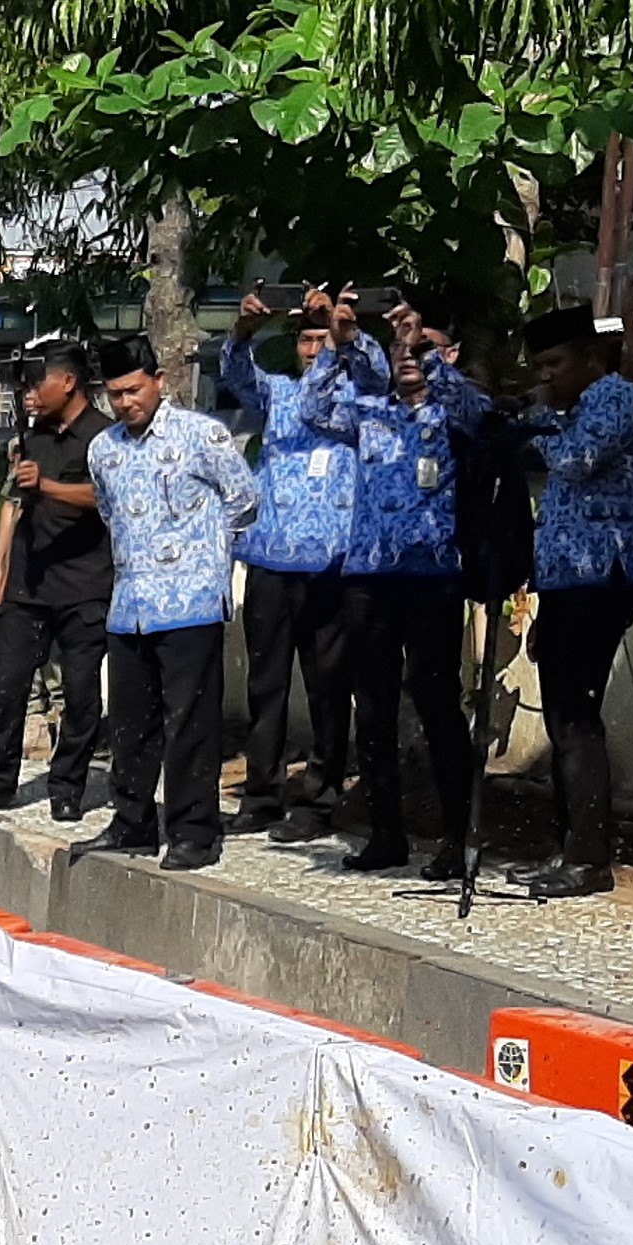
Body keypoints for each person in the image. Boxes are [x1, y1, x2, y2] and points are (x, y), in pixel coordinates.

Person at [307, 330, 491, 877]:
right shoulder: (370, 411)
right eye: (400, 349)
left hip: (432, 576)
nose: (408, 356)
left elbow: (476, 412)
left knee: (438, 704)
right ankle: (386, 832)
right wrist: (338, 343)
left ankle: (456, 838)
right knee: (373, 708)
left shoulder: (453, 410)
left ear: (448, 354)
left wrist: (433, 360)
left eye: (423, 347)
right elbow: (313, 409)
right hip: (369, 576)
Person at [80, 335, 260, 871]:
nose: (125, 402)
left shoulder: (202, 435)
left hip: (191, 601)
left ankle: (194, 831)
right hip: (130, 603)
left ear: (158, 382)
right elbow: (109, 511)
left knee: (190, 723)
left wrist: (205, 553)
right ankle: (132, 822)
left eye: (133, 390)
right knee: (130, 721)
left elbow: (244, 498)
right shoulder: (103, 449)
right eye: (115, 394)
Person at [518, 309, 633, 899]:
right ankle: (567, 846)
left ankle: (588, 858)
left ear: (589, 356)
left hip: (598, 576)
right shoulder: (578, 408)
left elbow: (575, 461)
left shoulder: (615, 399)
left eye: (554, 363)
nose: (545, 376)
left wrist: (536, 418)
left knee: (576, 720)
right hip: (565, 582)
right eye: (538, 366)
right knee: (561, 719)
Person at [221, 290, 369, 839]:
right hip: (270, 556)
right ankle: (262, 792)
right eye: (305, 340)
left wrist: (343, 335)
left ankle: (321, 797)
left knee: (328, 683)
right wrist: (243, 330)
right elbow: (237, 374)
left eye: (320, 339)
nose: (312, 350)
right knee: (267, 683)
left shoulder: (358, 398)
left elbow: (368, 374)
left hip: (329, 561)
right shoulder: (279, 392)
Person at [0, 342, 110, 820]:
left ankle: (67, 785)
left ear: (69, 382)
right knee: (6, 686)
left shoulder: (103, 438)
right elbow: (16, 497)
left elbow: (105, 497)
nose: (29, 394)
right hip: (28, 581)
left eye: (37, 383)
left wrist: (48, 486)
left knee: (81, 693)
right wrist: (0, 557)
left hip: (85, 584)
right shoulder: (33, 436)